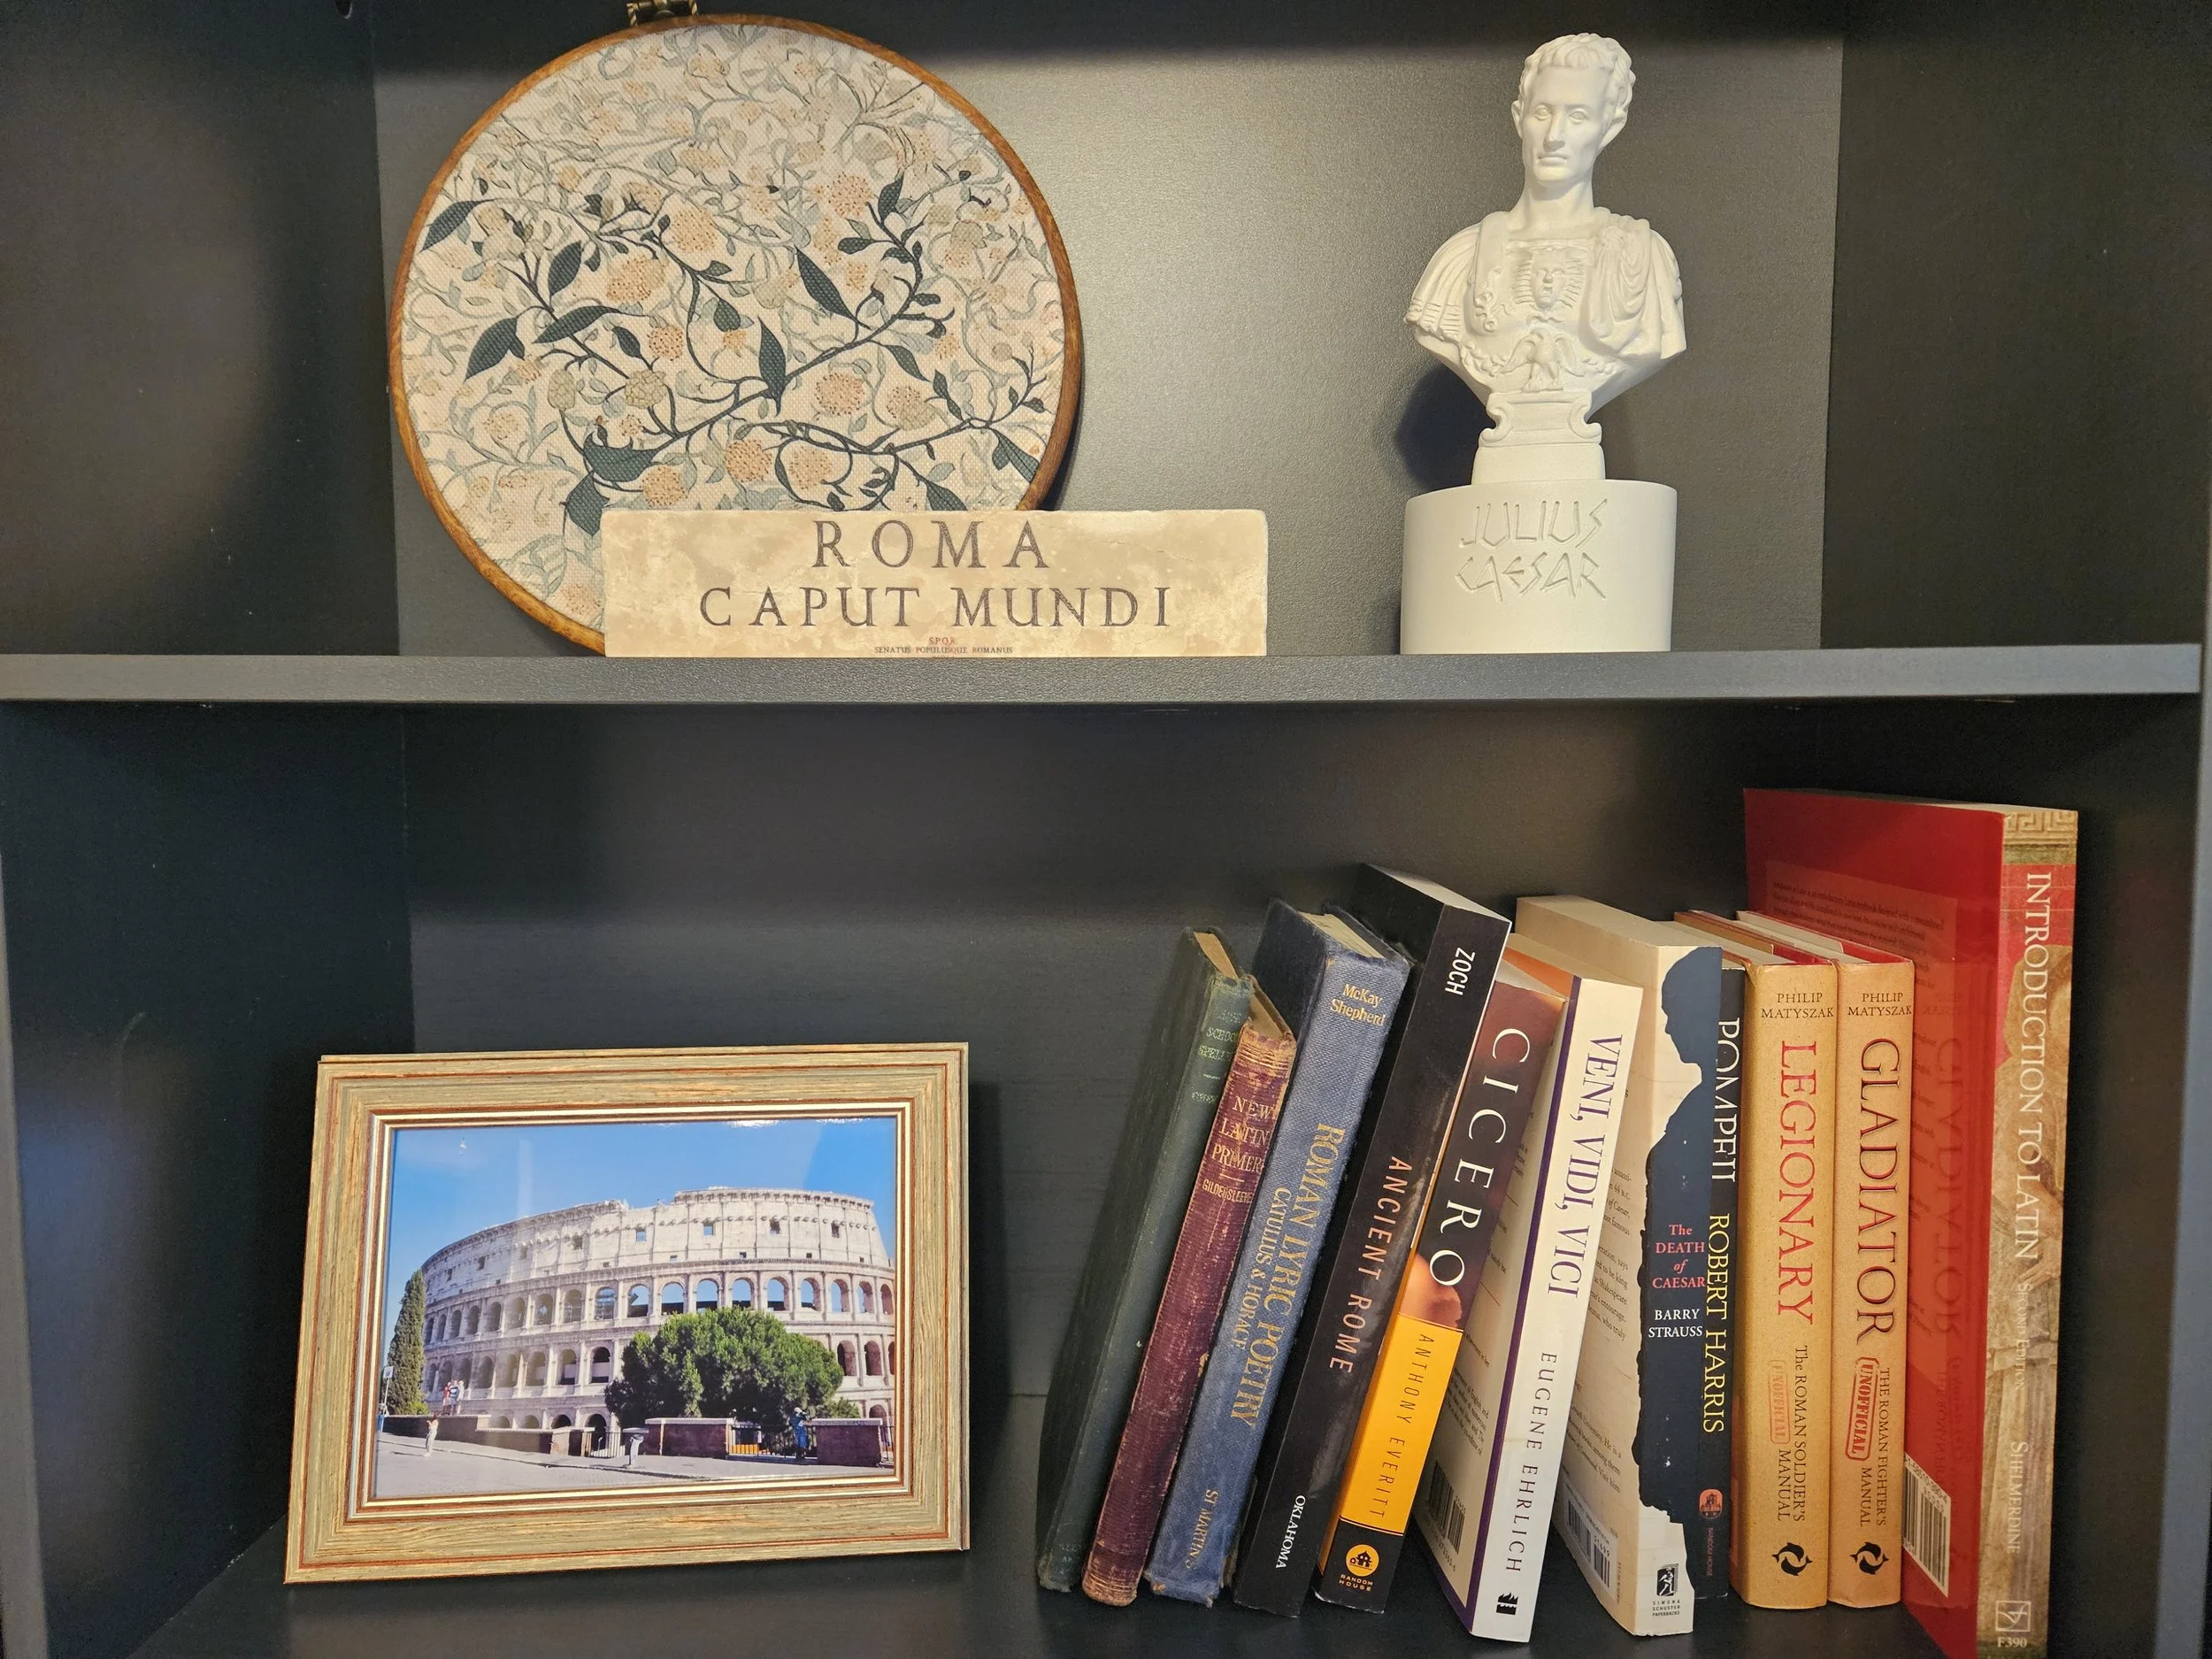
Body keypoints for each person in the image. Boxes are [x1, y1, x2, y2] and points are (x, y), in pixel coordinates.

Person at [1407, 34, 1685, 481]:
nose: (1555, 136)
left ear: (1609, 127)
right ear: (1520, 118)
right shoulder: (1458, 263)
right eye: (1543, 113)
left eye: (1578, 116)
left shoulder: (1643, 259)